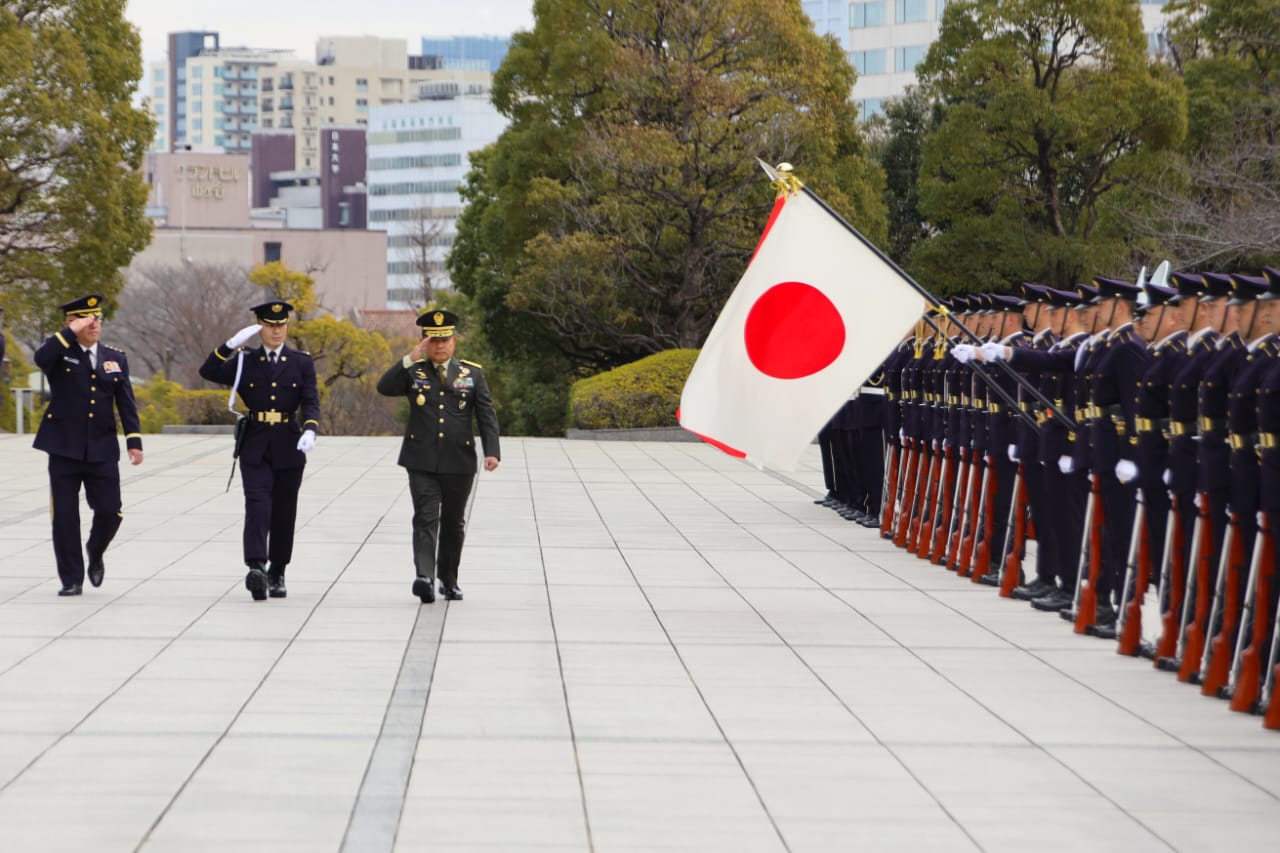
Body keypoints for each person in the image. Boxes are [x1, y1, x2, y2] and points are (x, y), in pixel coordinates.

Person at [377, 308, 500, 604]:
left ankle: (448, 579)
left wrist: (492, 451)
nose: (440, 346)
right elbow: (384, 387)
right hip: (421, 460)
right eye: (433, 340)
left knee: (453, 523)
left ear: (454, 341)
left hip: (459, 461)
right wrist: (409, 358)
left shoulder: (472, 373)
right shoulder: (414, 371)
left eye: (445, 340)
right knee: (425, 517)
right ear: (424, 343)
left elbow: (486, 413)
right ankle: (424, 577)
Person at [199, 301, 319, 601]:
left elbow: (311, 400)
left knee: (283, 511)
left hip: (290, 443)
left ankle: (277, 571)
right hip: (255, 442)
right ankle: (256, 566)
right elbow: (208, 370)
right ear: (259, 327)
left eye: (281, 325)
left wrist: (311, 428)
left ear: (287, 327)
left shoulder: (301, 362)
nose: (276, 330)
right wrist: (228, 346)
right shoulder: (244, 361)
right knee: (257, 504)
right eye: (269, 325)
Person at [32, 294, 143, 596]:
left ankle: (95, 551)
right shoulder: (59, 353)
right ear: (71, 323)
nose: (95, 325)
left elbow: (126, 402)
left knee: (110, 511)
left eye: (98, 319)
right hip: (64, 447)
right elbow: (41, 358)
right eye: (86, 319)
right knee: (65, 517)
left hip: (101, 448)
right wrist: (71, 331)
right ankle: (72, 579)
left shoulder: (115, 357)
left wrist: (134, 440)